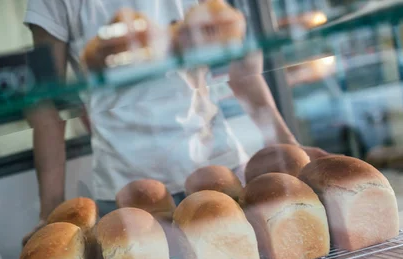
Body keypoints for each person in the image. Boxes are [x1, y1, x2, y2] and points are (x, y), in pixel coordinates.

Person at [22, 0, 318, 245]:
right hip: (127, 189)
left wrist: (291, 148)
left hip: (215, 170)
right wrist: (50, 214)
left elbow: (243, 73)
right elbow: (45, 103)